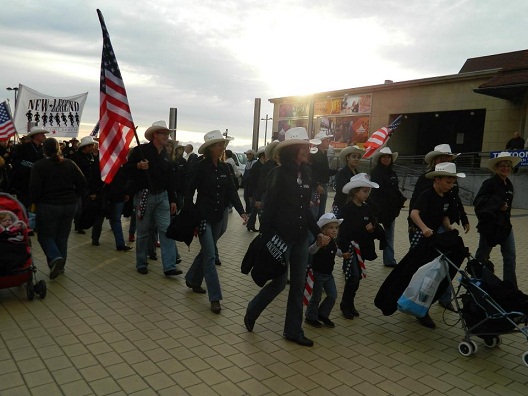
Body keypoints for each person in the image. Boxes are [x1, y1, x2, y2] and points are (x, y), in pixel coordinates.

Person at [244, 127, 328, 347]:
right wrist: (266, 237)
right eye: (304, 147)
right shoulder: (278, 174)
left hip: (300, 237)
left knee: (298, 285)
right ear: (292, 150)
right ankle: (252, 310)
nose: (308, 151)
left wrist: (318, 232)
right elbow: (268, 208)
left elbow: (305, 210)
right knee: (280, 283)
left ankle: (293, 330)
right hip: (280, 237)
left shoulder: (307, 174)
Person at [184, 130, 248, 313]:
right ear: (210, 148)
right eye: (219, 145)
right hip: (204, 217)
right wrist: (190, 213)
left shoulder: (224, 168)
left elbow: (231, 192)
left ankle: (193, 279)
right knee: (211, 256)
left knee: (207, 251)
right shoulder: (200, 166)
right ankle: (215, 298)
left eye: (223, 144)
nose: (223, 147)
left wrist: (242, 212)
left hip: (219, 217)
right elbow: (189, 190)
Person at [409, 162, 465, 328]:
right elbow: (414, 213)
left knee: (432, 274)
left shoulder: (446, 196)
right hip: (422, 237)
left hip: (435, 238)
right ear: (437, 179)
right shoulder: (427, 194)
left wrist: (448, 226)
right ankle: (415, 303)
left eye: (453, 182)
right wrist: (424, 228)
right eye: (448, 182)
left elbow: (444, 215)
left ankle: (422, 307)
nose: (451, 185)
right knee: (418, 271)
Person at [126, 123, 181, 276]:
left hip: (163, 197)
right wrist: (138, 166)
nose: (167, 137)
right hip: (144, 195)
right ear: (155, 134)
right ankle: (141, 263)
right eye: (164, 133)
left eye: (167, 134)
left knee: (166, 231)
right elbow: (125, 169)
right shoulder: (140, 151)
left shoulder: (166, 155)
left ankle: (169, 266)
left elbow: (170, 180)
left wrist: (173, 199)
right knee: (143, 232)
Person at [29, 138, 86, 279]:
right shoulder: (69, 164)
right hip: (70, 205)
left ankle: (55, 258)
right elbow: (82, 182)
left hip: (48, 205)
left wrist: (34, 202)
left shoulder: (39, 165)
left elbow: (34, 189)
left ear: (44, 150)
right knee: (62, 237)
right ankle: (60, 267)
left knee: (45, 236)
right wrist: (75, 195)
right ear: (59, 149)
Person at [338, 173, 383, 319]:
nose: (367, 194)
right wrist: (344, 249)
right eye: (364, 191)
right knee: (354, 276)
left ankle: (350, 303)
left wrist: (373, 229)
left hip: (362, 248)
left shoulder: (366, 208)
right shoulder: (347, 209)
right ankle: (345, 304)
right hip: (350, 248)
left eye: (368, 191)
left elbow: (372, 222)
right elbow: (344, 231)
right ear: (355, 191)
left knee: (356, 278)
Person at [474, 152, 520, 289]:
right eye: (502, 166)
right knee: (482, 255)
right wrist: (498, 205)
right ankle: (475, 281)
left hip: (505, 227)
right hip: (490, 226)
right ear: (496, 167)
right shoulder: (489, 183)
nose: (505, 168)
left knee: (510, 257)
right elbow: (478, 203)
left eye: (508, 166)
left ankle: (511, 288)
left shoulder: (509, 185)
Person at [304, 213, 348, 329]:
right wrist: (318, 244)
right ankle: (310, 316)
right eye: (331, 228)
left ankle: (322, 314)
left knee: (333, 295)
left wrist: (342, 254)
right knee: (316, 298)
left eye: (336, 228)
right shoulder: (320, 241)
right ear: (323, 230)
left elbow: (336, 250)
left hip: (328, 275)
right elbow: (311, 251)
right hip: (317, 275)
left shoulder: (333, 242)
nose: (334, 231)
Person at [369, 147, 406, 267]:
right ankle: (363, 257)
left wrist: (400, 200)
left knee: (389, 235)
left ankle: (389, 260)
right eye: (384, 156)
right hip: (377, 208)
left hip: (390, 210)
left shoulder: (392, 173)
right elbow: (378, 191)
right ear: (380, 159)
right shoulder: (375, 172)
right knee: (369, 233)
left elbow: (395, 189)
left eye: (388, 157)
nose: (386, 159)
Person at [11, 127, 48, 209]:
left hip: (39, 184)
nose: (45, 136)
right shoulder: (23, 148)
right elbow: (16, 161)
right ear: (36, 136)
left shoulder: (44, 149)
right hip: (25, 183)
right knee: (24, 207)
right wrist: (32, 166)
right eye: (42, 134)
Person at [71, 136, 97, 234]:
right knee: (79, 207)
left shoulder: (91, 156)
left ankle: (81, 224)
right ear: (86, 147)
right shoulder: (76, 157)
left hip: (89, 185)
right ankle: (78, 224)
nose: (93, 147)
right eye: (91, 146)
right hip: (78, 185)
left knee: (85, 206)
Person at [310, 132, 336, 219]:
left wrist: (336, 171)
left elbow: (325, 171)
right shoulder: (314, 155)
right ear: (320, 142)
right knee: (315, 210)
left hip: (323, 184)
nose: (328, 142)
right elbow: (310, 172)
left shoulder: (323, 154)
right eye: (326, 140)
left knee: (321, 210)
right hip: (317, 187)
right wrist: (316, 184)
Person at [332, 145, 363, 215]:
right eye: (354, 156)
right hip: (342, 207)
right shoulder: (341, 173)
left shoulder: (358, 174)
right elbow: (341, 191)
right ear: (347, 158)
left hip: (353, 207)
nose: (356, 159)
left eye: (358, 157)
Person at [246, 146, 266, 232]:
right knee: (258, 209)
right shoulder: (257, 166)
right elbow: (252, 181)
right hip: (256, 191)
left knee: (255, 209)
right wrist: (250, 193)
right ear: (263, 156)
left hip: (258, 191)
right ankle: (261, 227)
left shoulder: (261, 165)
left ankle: (250, 224)